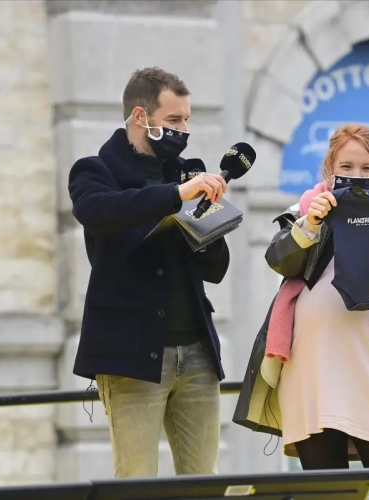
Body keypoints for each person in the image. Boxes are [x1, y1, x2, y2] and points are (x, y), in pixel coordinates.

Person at [233, 124, 369, 500]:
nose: (357, 175)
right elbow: (279, 260)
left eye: (368, 168)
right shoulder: (305, 208)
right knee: (326, 494)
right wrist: (311, 223)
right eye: (347, 165)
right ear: (329, 166)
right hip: (311, 370)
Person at [68, 67, 230, 478]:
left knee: (204, 482)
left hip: (196, 352)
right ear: (141, 117)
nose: (183, 129)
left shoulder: (188, 170)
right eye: (174, 120)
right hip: (131, 354)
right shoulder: (94, 170)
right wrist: (176, 197)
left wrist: (212, 221)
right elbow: (98, 213)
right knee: (136, 483)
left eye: (186, 120)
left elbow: (217, 269)